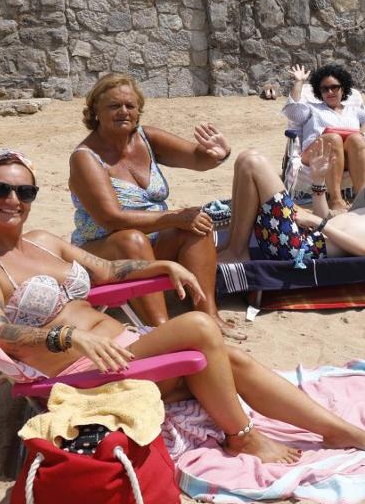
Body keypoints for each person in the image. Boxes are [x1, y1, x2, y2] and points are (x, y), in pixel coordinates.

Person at [0, 150, 365, 463]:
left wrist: (160, 264)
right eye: (0, 190)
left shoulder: (43, 241)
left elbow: (105, 272)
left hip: (125, 348)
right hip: (79, 374)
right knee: (199, 328)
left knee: (229, 357)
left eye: (24, 193)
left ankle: (336, 430)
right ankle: (243, 437)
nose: (13, 201)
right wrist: (70, 336)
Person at [68, 73, 238, 337]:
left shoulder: (146, 138)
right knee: (132, 240)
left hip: (152, 242)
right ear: (95, 112)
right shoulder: (85, 158)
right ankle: (161, 328)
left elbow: (196, 158)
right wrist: (174, 218)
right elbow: (111, 219)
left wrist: (217, 154)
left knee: (197, 224)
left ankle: (208, 312)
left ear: (139, 111)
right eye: (114, 106)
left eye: (130, 106)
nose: (124, 111)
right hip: (102, 254)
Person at [217, 151, 365, 263]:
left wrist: (318, 222)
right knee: (245, 160)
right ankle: (232, 247)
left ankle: (237, 252)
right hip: (301, 235)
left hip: (302, 249)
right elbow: (328, 218)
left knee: (253, 161)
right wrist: (318, 182)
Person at [284, 63, 365, 212]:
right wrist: (299, 82)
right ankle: (336, 200)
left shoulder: (353, 111)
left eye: (334, 87)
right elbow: (293, 113)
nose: (330, 91)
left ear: (343, 88)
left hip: (344, 159)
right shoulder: (313, 108)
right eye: (325, 89)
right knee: (333, 138)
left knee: (357, 139)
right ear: (320, 92)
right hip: (314, 155)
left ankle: (361, 199)